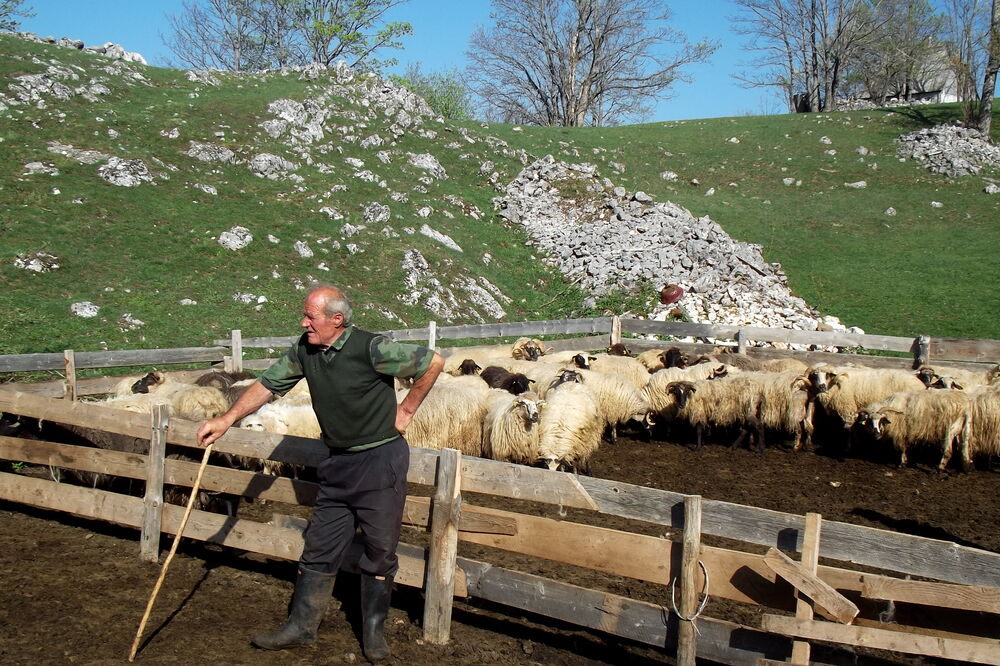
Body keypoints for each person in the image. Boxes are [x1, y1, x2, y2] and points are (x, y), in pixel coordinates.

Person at [196, 283, 443, 661]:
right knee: (320, 546)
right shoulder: (305, 349)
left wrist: (406, 410)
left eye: (311, 316)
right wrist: (227, 418)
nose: (304, 322)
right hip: (337, 462)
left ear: (337, 319)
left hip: (379, 462)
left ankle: (373, 634)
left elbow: (432, 362)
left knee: (379, 550)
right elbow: (268, 383)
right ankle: (302, 626)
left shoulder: (371, 348)